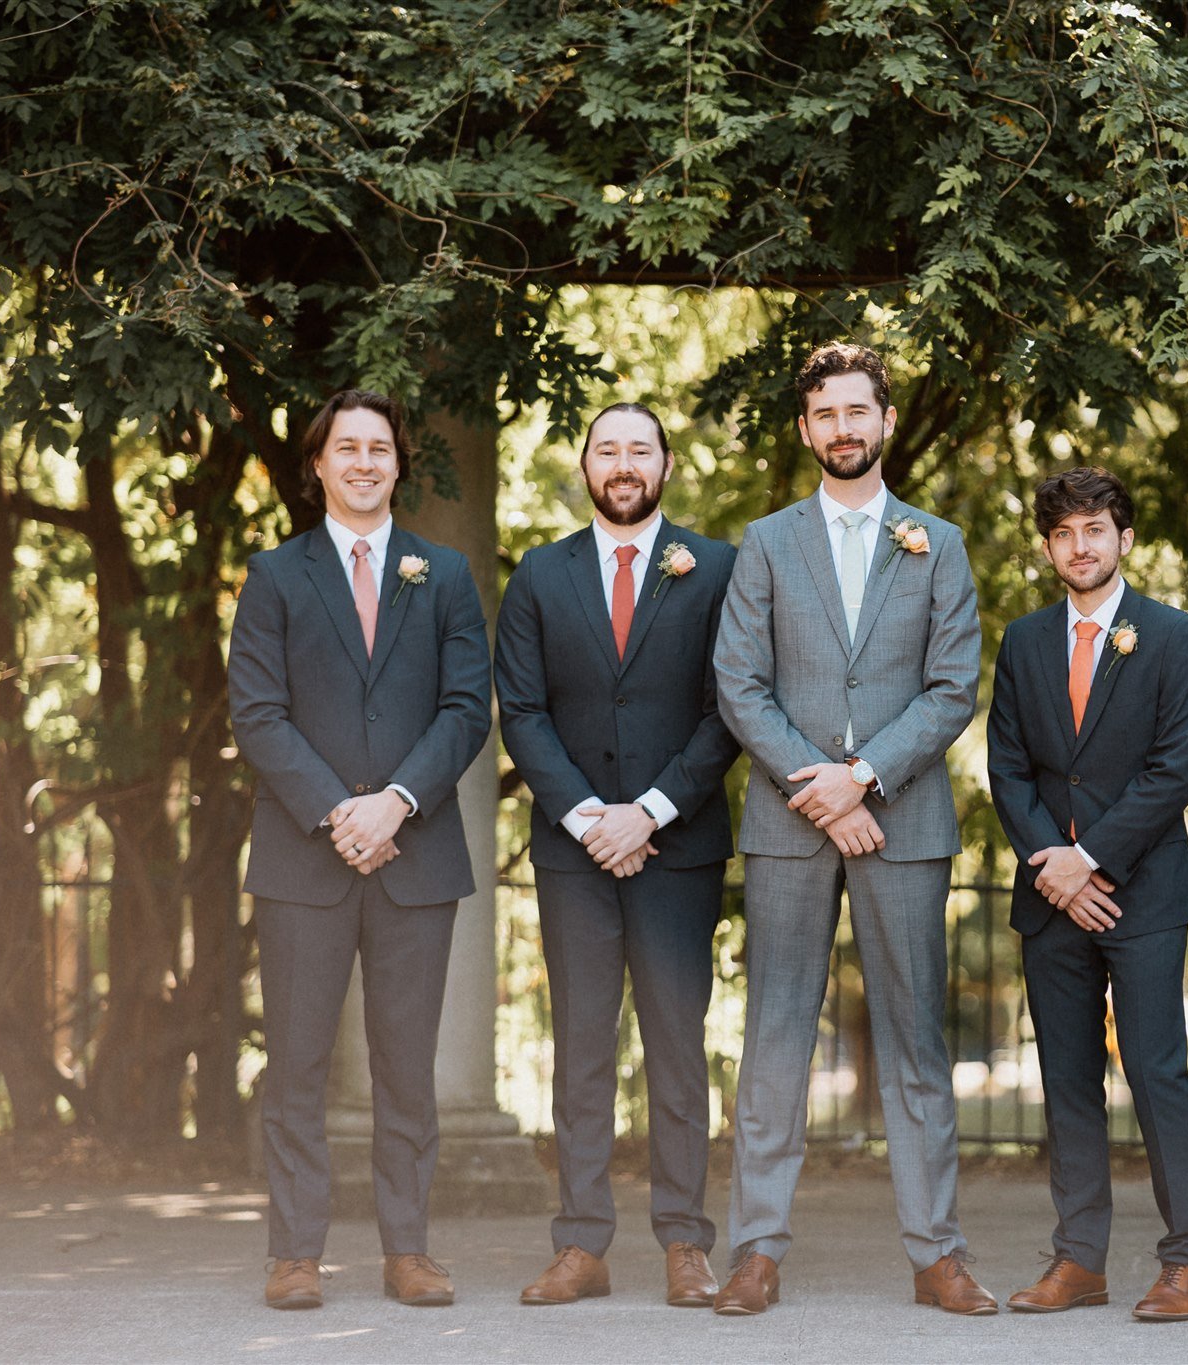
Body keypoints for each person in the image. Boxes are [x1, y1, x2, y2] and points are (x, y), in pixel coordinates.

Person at [711, 342, 993, 1316]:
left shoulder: (937, 542)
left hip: (902, 819)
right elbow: (737, 682)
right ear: (806, 429)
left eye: (856, 412)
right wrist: (818, 786)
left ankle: (936, 1253)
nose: (841, 428)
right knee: (776, 1036)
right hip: (789, 824)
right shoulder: (765, 542)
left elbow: (953, 685)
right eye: (824, 414)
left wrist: (862, 780)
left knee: (916, 1042)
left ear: (882, 420)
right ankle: (753, 1250)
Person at [228, 389, 491, 1310]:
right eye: (349, 447)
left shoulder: (444, 573)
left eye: (381, 447)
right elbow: (257, 713)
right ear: (319, 464)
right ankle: (296, 1253)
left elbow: (466, 709)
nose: (366, 461)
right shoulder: (274, 576)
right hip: (306, 858)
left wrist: (397, 804)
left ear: (398, 464)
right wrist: (342, 813)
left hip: (414, 857)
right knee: (296, 1061)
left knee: (405, 1064)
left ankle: (408, 1249)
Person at [495, 402, 740, 1309]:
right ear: (587, 465)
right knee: (581, 1051)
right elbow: (521, 710)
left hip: (678, 849)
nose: (624, 463)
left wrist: (652, 812)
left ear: (667, 463)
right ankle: (581, 1244)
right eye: (609, 449)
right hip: (575, 853)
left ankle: (685, 1239)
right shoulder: (539, 575)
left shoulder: (715, 568)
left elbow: (730, 707)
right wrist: (593, 817)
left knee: (678, 1047)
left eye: (641, 448)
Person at [988, 467, 1188, 1321]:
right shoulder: (1022, 640)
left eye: (1094, 530)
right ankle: (1079, 1257)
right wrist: (1054, 863)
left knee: (1159, 1072)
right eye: (1062, 534)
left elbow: (1174, 771)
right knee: (1068, 1079)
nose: (1078, 547)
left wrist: (1094, 861)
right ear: (1048, 545)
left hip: (1142, 892)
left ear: (1124, 539)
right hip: (1050, 894)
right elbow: (1008, 768)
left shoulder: (1173, 635)